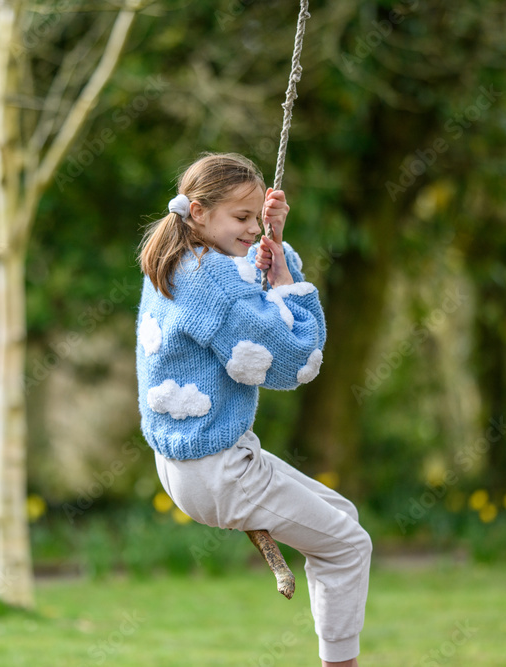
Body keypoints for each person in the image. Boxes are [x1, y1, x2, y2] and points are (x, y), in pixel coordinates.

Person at [135, 153, 371, 667]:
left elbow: (248, 292)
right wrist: (286, 273)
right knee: (349, 546)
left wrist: (273, 244)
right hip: (220, 470)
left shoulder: (181, 261)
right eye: (241, 219)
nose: (251, 229)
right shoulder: (211, 282)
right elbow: (293, 358)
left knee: (341, 520)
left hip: (191, 464)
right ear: (198, 212)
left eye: (256, 219)